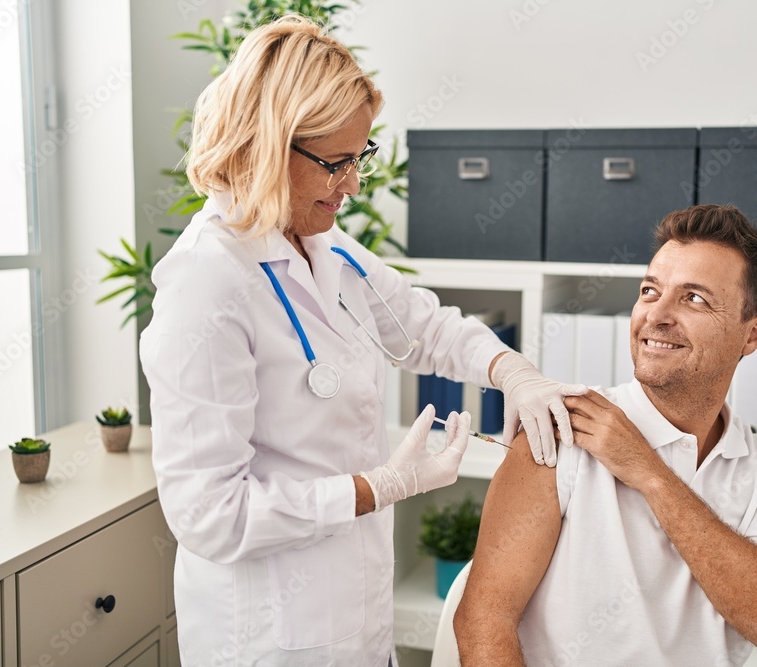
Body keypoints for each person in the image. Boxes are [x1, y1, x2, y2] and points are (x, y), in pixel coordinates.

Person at [139, 15, 584, 666]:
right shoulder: (205, 282)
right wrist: (375, 487)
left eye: (360, 156)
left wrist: (511, 368)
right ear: (270, 144)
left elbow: (419, 325)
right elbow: (209, 514)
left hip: (355, 619)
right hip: (269, 638)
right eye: (337, 162)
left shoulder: (323, 241)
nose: (353, 184)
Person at [455, 204, 757, 666]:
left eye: (695, 299)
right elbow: (483, 623)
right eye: (650, 290)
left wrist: (650, 472)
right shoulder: (563, 429)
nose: (657, 315)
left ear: (752, 336)